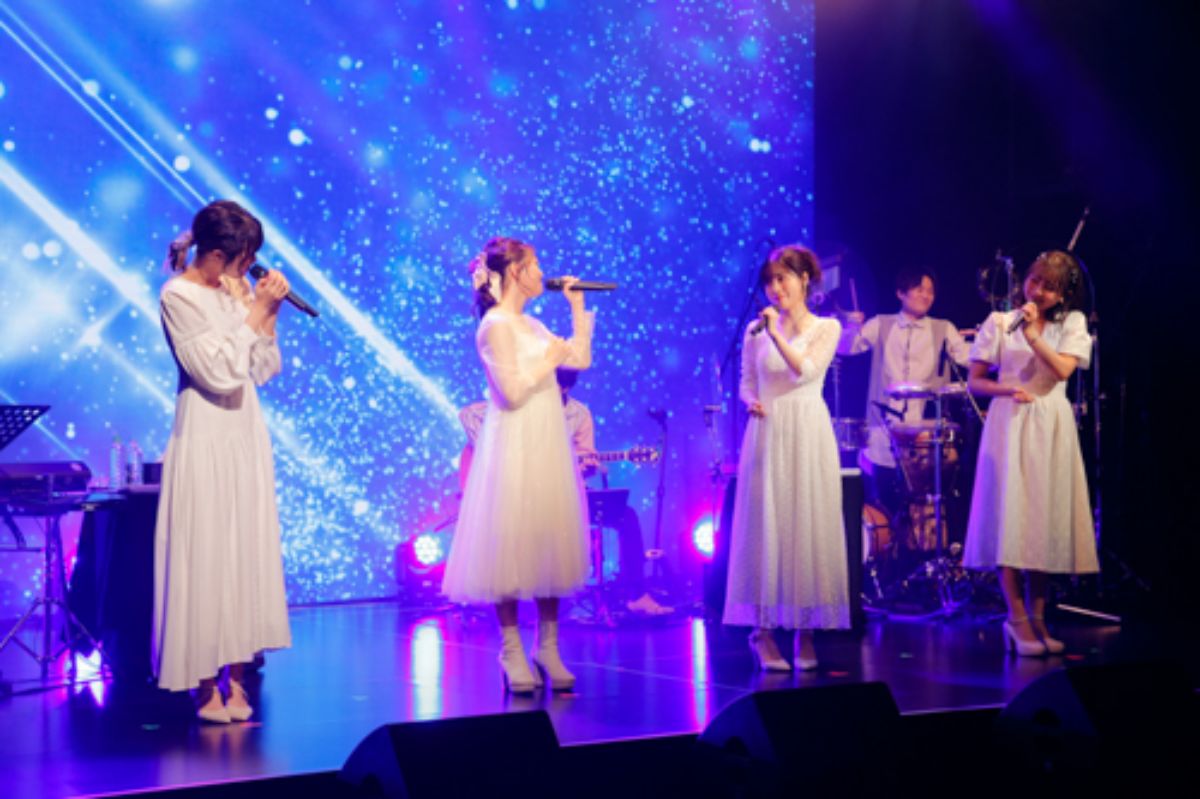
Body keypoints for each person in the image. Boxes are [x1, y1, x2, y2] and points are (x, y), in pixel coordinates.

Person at [154, 200, 293, 723]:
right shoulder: (178, 295)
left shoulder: (236, 291)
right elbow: (214, 372)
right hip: (205, 432)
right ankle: (204, 682)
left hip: (243, 433)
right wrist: (253, 313)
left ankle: (236, 675)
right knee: (208, 554)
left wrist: (267, 313)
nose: (248, 268)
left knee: (241, 554)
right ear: (215, 254)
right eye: (242, 258)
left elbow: (260, 369)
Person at [441, 237, 593, 693]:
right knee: (507, 547)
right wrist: (548, 361)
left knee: (548, 543)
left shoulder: (534, 324)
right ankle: (511, 650)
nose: (541, 271)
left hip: (546, 444)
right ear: (514, 272)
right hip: (513, 444)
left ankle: (548, 647)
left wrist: (577, 310)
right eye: (534, 264)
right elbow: (509, 392)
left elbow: (579, 358)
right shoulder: (494, 326)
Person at [963, 250, 1097, 656]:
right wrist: (1007, 389)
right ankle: (1016, 617)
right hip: (1010, 421)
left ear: (1063, 295)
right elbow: (975, 382)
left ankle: (1038, 617)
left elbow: (1062, 370)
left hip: (1051, 422)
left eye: (1049, 287)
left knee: (1042, 521)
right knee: (1010, 517)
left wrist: (1033, 334)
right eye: (1035, 281)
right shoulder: (999, 322)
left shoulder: (1072, 324)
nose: (1037, 291)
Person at [724, 244, 849, 671]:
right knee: (767, 527)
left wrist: (776, 333)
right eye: (770, 282)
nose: (775, 289)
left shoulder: (826, 327)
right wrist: (750, 401)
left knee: (806, 527)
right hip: (769, 431)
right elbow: (746, 381)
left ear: (804, 279)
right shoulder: (754, 331)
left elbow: (806, 371)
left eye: (783, 279)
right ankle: (762, 632)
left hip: (808, 430)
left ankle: (805, 631)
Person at [458, 369, 671, 617]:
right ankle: (524, 596)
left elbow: (586, 459)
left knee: (626, 515)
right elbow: (468, 414)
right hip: (517, 498)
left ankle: (636, 595)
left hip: (564, 496)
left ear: (565, 389)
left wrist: (585, 467)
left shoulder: (578, 415)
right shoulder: (517, 407)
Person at [838, 268, 972, 514]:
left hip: (925, 429)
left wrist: (991, 343)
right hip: (883, 424)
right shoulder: (880, 324)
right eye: (919, 289)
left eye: (930, 291)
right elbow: (847, 348)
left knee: (920, 499)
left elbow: (968, 357)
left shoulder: (943, 328)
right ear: (901, 293)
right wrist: (850, 326)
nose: (926, 296)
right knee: (884, 498)